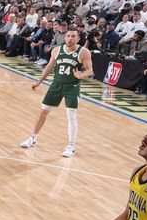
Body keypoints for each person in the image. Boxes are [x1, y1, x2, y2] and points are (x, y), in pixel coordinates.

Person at [20, 27, 93, 158]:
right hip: (56, 84)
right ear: (65, 38)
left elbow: (90, 70)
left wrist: (81, 75)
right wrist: (39, 82)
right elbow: (49, 67)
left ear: (78, 38)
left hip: (72, 86)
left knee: (71, 115)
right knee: (43, 112)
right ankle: (33, 138)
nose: (70, 38)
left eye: (73, 36)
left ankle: (71, 146)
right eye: (68, 36)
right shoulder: (56, 50)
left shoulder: (84, 52)